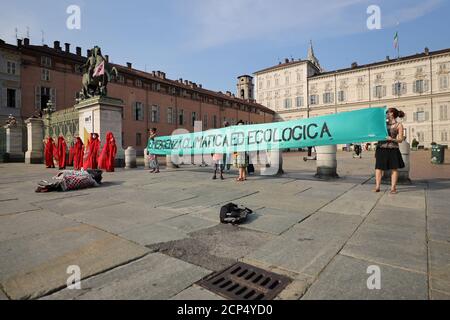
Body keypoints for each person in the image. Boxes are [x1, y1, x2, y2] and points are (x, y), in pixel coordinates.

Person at [374, 108, 405, 194]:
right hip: (381, 148)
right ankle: (377, 187)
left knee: (394, 169)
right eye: (387, 112)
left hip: (393, 149)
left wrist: (392, 139)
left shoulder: (399, 125)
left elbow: (401, 140)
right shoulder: (383, 124)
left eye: (389, 112)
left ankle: (393, 188)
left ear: (393, 114)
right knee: (378, 168)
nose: (387, 113)